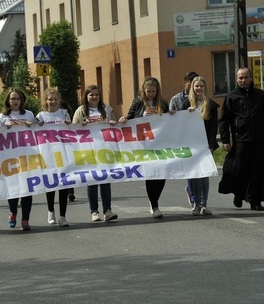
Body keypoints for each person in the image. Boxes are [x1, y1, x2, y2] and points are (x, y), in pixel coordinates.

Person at [218, 67, 264, 211]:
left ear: (251, 78)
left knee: (257, 171)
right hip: (241, 140)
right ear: (236, 79)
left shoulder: (260, 95)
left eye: (246, 77)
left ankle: (256, 201)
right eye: (240, 77)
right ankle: (238, 194)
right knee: (239, 170)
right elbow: (224, 120)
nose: (243, 80)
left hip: (258, 140)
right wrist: (225, 140)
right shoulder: (231, 97)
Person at [119, 77, 169, 219]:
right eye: (148, 91)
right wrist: (124, 119)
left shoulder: (163, 103)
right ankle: (154, 205)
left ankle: (154, 198)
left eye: (153, 91)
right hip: (143, 145)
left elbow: (169, 121)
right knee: (151, 174)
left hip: (160, 144)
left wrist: (172, 114)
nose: (151, 94)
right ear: (144, 90)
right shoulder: (138, 103)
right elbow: (130, 118)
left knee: (162, 174)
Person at [72, 85, 118, 222]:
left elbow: (115, 125)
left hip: (104, 149)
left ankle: (107, 210)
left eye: (97, 95)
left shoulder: (107, 109)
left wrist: (113, 122)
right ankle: (94, 211)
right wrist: (81, 126)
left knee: (105, 180)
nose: (94, 97)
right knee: (92, 181)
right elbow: (72, 129)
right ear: (86, 97)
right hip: (88, 150)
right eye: (91, 95)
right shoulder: (80, 111)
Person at [0, 88, 37, 230]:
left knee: (28, 189)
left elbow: (37, 133)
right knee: (13, 188)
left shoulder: (29, 114)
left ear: (22, 100)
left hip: (27, 157)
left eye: (18, 99)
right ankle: (12, 212)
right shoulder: (2, 116)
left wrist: (33, 126)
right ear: (8, 100)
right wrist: (3, 129)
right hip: (10, 158)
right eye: (12, 99)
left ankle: (25, 219)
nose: (15, 101)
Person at [181, 76, 220, 215]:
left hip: (206, 145)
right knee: (195, 174)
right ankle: (196, 204)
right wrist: (186, 113)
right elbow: (178, 123)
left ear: (205, 88)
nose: (199, 89)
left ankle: (204, 204)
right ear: (192, 88)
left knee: (205, 174)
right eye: (196, 86)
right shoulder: (186, 104)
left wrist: (210, 145)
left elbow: (213, 127)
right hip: (191, 146)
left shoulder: (210, 105)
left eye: (201, 86)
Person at [36, 87, 72, 227]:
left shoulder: (64, 114)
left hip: (63, 154)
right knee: (50, 185)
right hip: (48, 155)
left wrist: (70, 126)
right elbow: (33, 131)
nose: (53, 102)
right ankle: (51, 212)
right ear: (46, 100)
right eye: (50, 99)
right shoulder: (40, 116)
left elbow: (72, 131)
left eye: (55, 99)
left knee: (63, 185)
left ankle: (63, 216)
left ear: (59, 100)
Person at [169, 70, 199, 207]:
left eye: (195, 84)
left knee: (200, 171)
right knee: (190, 170)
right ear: (184, 83)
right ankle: (194, 198)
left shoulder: (200, 98)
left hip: (198, 139)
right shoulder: (176, 99)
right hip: (183, 139)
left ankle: (200, 198)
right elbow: (168, 120)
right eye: (190, 83)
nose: (193, 86)